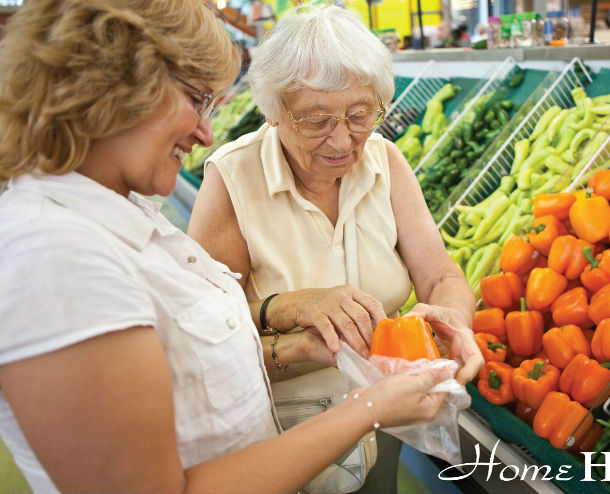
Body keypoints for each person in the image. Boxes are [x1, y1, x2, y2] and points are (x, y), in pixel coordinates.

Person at [0, 1, 451, 493]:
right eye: (196, 99)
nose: (205, 132)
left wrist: (302, 344)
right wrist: (370, 407)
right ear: (113, 90)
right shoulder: (53, 254)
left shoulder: (118, 218)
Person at [187, 6, 483, 493]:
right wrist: (293, 308)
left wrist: (455, 320)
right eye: (316, 120)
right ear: (274, 111)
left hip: (387, 426)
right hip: (281, 441)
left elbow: (441, 278)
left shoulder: (386, 161)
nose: (343, 140)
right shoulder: (232, 179)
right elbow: (205, 341)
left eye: (361, 115)